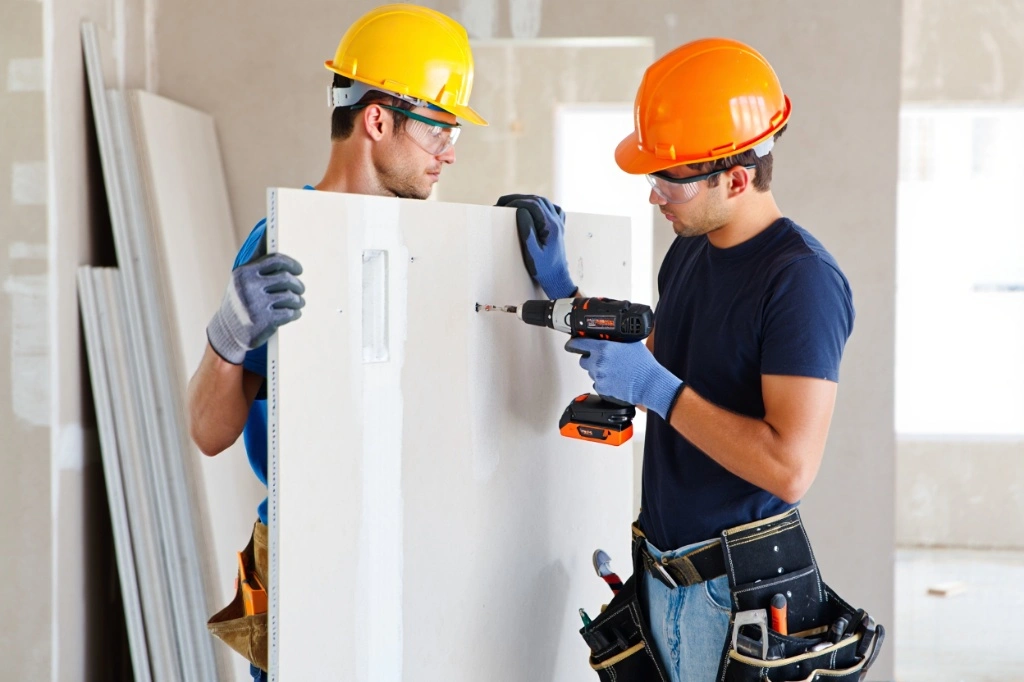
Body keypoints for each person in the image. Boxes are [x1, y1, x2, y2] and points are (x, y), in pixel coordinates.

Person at [506, 38, 854, 681]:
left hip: (738, 599)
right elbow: (652, 361)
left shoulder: (800, 281)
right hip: (662, 575)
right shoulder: (689, 251)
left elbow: (789, 467)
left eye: (670, 179)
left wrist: (656, 390)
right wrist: (563, 293)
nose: (654, 196)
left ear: (737, 177)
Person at [187, 5, 486, 679]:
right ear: (377, 119)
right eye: (439, 126)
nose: (451, 150)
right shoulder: (285, 247)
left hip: (411, 556)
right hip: (309, 562)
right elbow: (209, 432)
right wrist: (227, 339)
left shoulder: (425, 245)